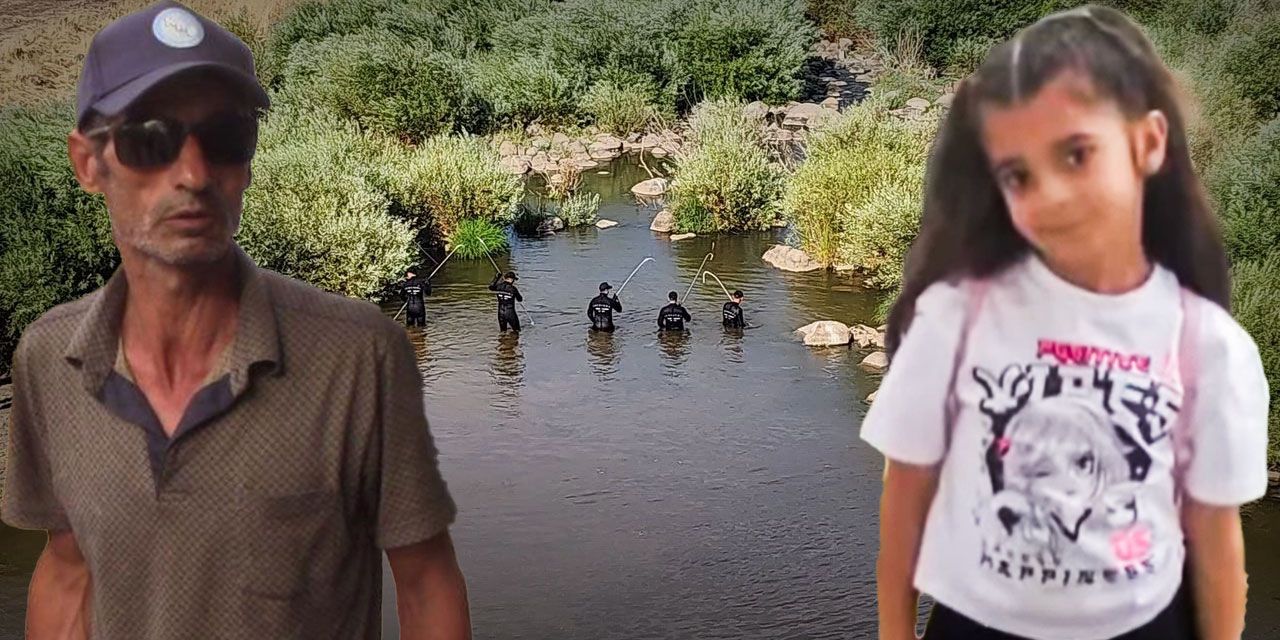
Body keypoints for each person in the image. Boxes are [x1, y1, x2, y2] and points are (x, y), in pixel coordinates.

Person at [0, 3, 471, 638]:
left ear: (247, 161)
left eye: (225, 137)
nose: (194, 174)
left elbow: (425, 582)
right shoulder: (47, 358)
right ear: (89, 163)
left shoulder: (361, 355)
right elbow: (65, 572)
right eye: (150, 139)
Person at [861, 6, 1268, 640]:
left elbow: (1217, 544)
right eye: (1019, 172)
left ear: (1149, 141)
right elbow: (906, 492)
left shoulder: (1210, 345)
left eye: (1077, 153)